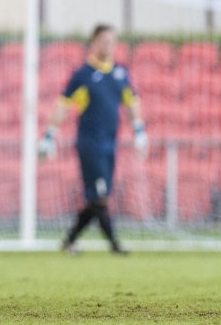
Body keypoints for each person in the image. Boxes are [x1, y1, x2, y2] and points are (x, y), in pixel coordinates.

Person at [38, 23, 147, 255]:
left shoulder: (120, 73)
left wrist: (139, 131)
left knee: (97, 198)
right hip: (89, 145)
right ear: (93, 43)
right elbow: (62, 105)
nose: (108, 46)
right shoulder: (83, 75)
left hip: (110, 145)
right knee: (100, 196)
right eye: (104, 41)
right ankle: (115, 244)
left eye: (112, 42)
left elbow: (132, 102)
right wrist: (49, 136)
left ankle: (69, 241)